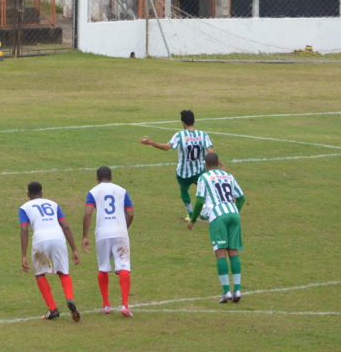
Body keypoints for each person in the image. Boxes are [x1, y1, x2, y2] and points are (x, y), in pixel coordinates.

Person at [187, 152, 246, 303]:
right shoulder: (229, 176)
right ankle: (238, 290)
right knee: (233, 252)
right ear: (218, 163)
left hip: (218, 217)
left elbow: (200, 201)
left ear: (205, 165)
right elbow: (241, 198)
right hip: (234, 214)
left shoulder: (204, 177)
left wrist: (193, 219)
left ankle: (226, 292)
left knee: (220, 253)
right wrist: (234, 211)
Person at [19, 181, 82, 321]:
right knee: (63, 272)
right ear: (42, 193)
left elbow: (24, 230)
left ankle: (53, 309)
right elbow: (65, 225)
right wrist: (74, 249)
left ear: (28, 194)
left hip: (40, 240)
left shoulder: (24, 207)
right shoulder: (53, 204)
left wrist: (23, 255)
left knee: (40, 274)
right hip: (58, 238)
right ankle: (70, 298)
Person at [140, 109, 215, 221]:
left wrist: (151, 142)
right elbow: (211, 152)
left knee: (184, 191)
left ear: (183, 123)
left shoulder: (179, 135)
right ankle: (207, 212)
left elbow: (166, 147)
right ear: (194, 121)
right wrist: (221, 165)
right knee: (208, 190)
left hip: (183, 173)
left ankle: (190, 214)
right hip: (200, 171)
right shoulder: (203, 135)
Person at [82, 166, 134, 317]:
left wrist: (85, 236)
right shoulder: (122, 191)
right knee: (123, 266)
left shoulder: (93, 192)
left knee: (103, 267)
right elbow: (130, 213)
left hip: (102, 234)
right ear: (111, 177)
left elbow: (87, 213)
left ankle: (106, 305)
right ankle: (124, 305)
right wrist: (124, 227)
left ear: (97, 178)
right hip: (120, 232)